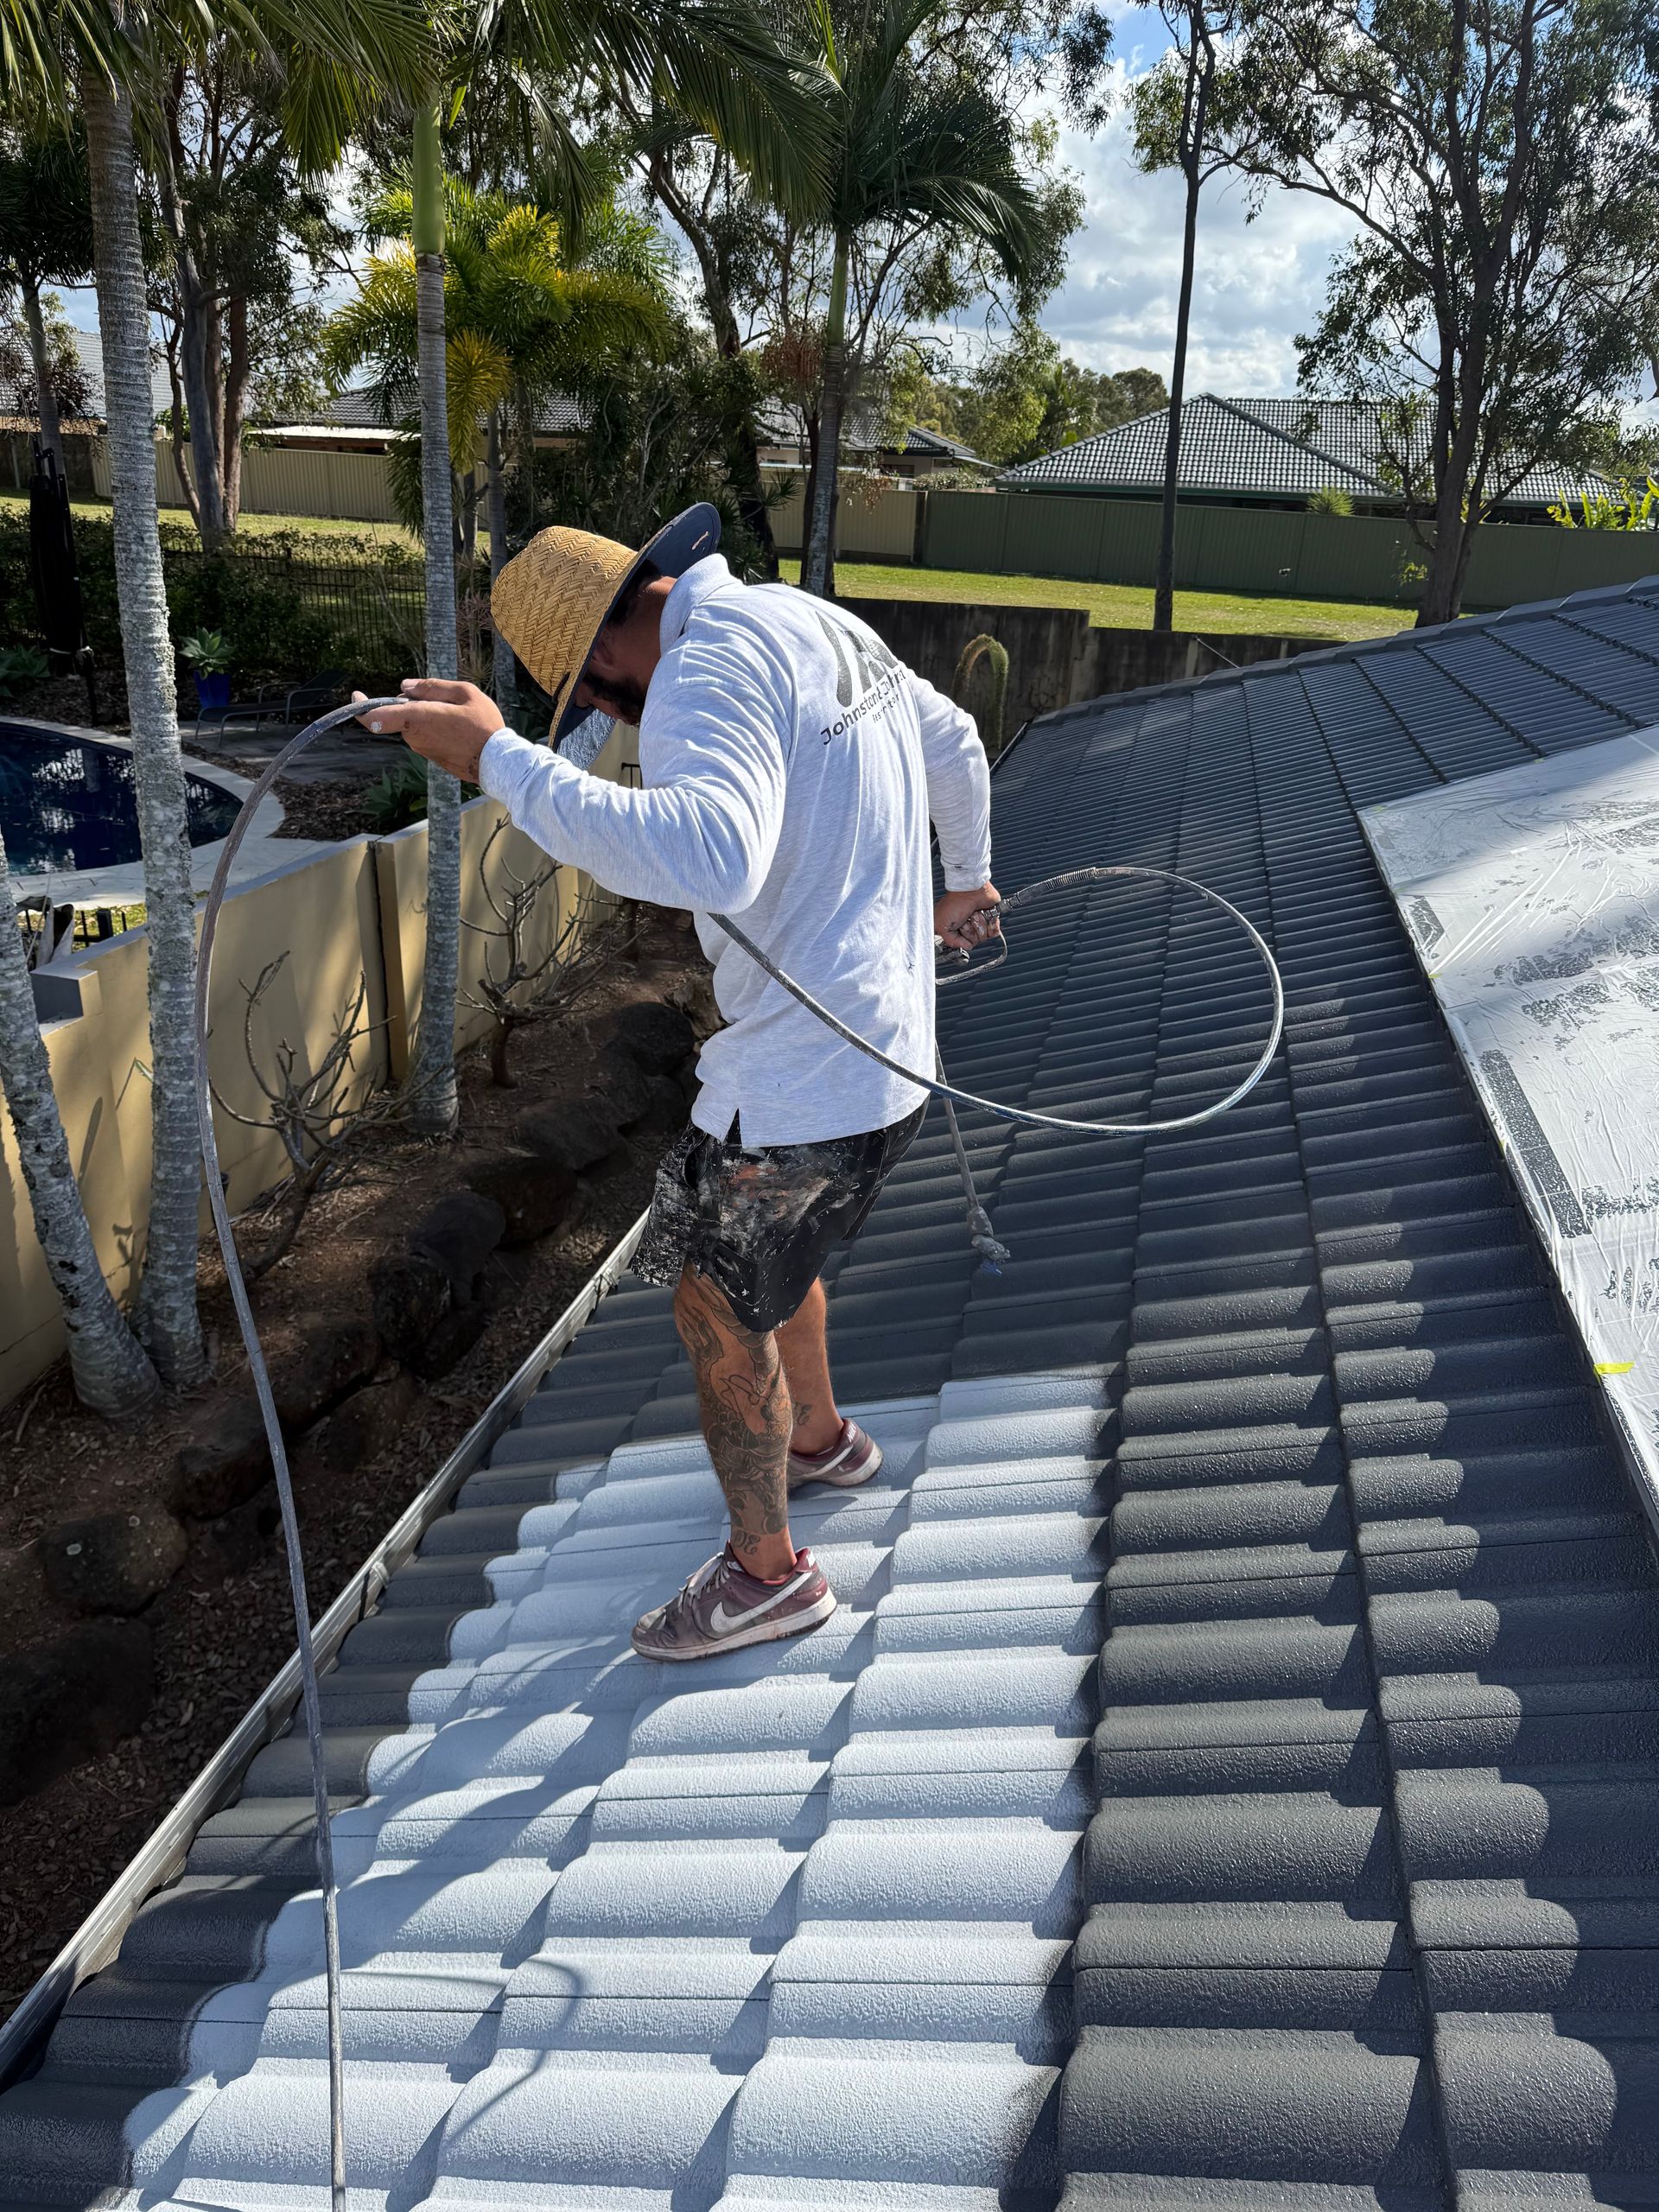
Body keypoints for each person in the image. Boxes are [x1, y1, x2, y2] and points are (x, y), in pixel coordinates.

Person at [356, 503, 998, 1663]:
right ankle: (822, 1442)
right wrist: (968, 878)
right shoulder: (807, 620)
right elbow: (952, 739)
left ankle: (769, 1576)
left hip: (805, 1082)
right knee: (766, 1264)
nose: (603, 712)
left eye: (593, 693)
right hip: (888, 1059)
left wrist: (504, 759)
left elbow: (707, 853)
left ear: (611, 643)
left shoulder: (703, 672)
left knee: (710, 1302)